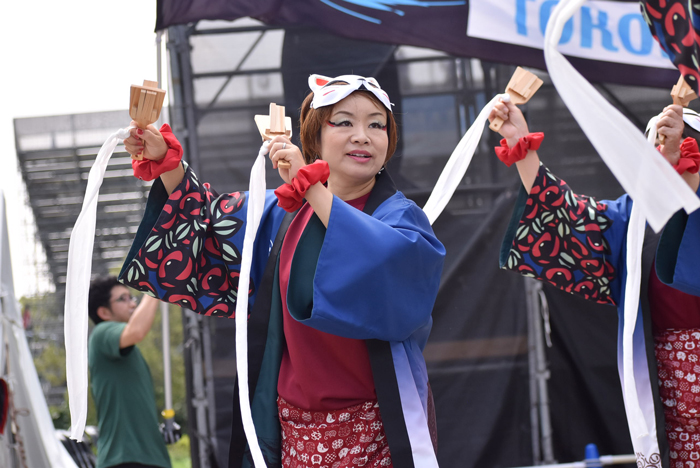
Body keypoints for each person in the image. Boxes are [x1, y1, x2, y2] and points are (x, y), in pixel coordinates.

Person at [118, 74, 446, 468]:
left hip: (377, 428)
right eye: (344, 122)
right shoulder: (281, 211)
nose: (363, 135)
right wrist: (167, 162)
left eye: (377, 124)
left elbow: (391, 273)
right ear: (313, 138)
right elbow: (207, 225)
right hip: (295, 429)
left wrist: (313, 189)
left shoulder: (399, 216)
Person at [488, 98, 700, 468]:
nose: (663, 154)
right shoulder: (633, 222)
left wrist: (691, 191)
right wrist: (522, 146)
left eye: (677, 144)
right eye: (654, 147)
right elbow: (567, 217)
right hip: (670, 408)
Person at [88, 276, 171, 468]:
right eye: (123, 299)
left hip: (146, 458)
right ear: (104, 312)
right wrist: (156, 286)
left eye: (131, 297)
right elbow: (136, 331)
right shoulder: (102, 333)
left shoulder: (127, 350)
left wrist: (158, 432)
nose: (132, 303)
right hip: (124, 458)